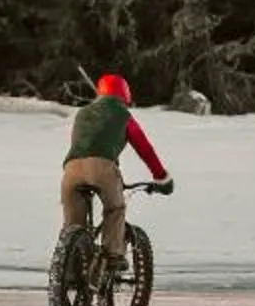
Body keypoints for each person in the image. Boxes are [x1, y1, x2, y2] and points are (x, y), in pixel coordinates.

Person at [61, 72, 172, 269]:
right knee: (115, 208)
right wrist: (162, 177)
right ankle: (113, 255)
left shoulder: (83, 113)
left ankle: (69, 267)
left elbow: (87, 143)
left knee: (73, 225)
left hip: (71, 169)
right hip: (102, 168)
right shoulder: (123, 115)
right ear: (124, 97)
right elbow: (145, 148)